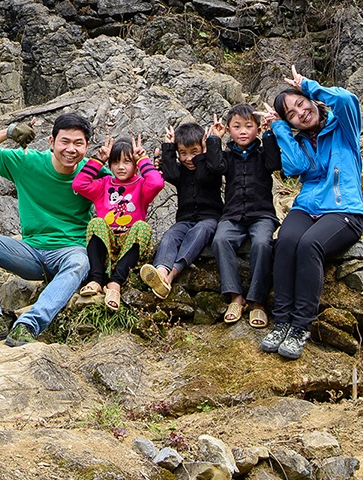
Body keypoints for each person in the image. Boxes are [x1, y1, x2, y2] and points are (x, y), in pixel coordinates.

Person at [0, 113, 95, 347]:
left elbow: (123, 192)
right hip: (30, 253)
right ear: (52, 142)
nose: (71, 149)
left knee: (80, 261)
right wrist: (9, 131)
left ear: (87, 146)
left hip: (70, 252)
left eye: (78, 143)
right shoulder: (28, 162)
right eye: (65, 142)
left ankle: (28, 325)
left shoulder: (91, 172)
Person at [260, 67, 363, 360]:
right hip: (307, 206)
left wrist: (309, 86)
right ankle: (281, 321)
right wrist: (280, 130)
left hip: (344, 210)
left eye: (300, 103)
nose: (301, 113)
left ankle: (300, 326)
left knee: (310, 245)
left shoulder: (343, 126)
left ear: (310, 99)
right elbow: (294, 168)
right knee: (285, 242)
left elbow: (346, 99)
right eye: (291, 114)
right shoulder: (303, 140)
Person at [206, 104, 281, 327]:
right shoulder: (228, 157)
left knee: (261, 243)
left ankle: (257, 302)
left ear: (257, 129)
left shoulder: (262, 153)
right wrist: (213, 140)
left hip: (262, 215)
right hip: (233, 215)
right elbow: (214, 166)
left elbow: (274, 163)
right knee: (220, 240)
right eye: (237, 126)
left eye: (249, 126)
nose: (243, 131)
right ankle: (235, 297)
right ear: (229, 130)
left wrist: (269, 135)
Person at [72, 135, 164, 310]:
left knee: (142, 227)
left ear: (135, 165)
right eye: (115, 162)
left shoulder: (141, 185)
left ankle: (115, 283)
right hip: (108, 247)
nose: (121, 167)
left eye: (127, 162)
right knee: (96, 223)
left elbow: (157, 183)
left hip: (130, 249)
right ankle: (96, 279)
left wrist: (143, 159)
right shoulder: (104, 184)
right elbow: (79, 184)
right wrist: (99, 160)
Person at [140, 122, 224, 298]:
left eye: (194, 152)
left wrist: (210, 147)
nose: (188, 159)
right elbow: (170, 173)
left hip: (210, 218)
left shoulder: (210, 169)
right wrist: (168, 147)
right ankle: (161, 271)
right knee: (170, 235)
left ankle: (172, 274)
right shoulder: (180, 171)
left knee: (200, 231)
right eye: (183, 154)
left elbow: (204, 174)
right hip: (184, 219)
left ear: (203, 149)